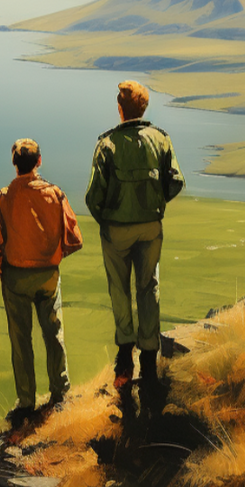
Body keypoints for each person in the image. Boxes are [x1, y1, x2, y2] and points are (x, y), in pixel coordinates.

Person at [86, 80, 184, 388]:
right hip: (151, 227)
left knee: (120, 289)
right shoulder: (161, 140)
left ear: (120, 108)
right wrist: (155, 204)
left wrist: (107, 219)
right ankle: (149, 361)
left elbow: (93, 196)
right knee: (148, 287)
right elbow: (176, 181)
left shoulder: (107, 145)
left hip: (116, 230)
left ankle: (124, 359)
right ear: (144, 107)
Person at [0, 137, 84, 423]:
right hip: (48, 274)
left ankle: (26, 401)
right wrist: (53, 255)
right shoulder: (55, 194)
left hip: (14, 276)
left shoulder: (1, 198)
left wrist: (2, 268)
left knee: (20, 340)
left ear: (14, 164)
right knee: (54, 334)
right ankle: (60, 393)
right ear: (39, 162)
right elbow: (74, 238)